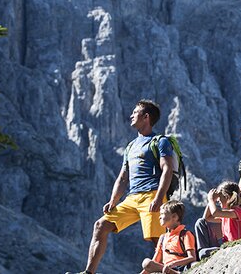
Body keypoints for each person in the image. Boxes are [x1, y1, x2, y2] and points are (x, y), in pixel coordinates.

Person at [69, 100, 176, 274]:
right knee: (100, 226)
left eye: (135, 113)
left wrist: (159, 197)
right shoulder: (131, 146)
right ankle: (88, 273)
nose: (131, 116)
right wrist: (113, 201)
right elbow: (122, 177)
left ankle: (172, 271)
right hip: (132, 198)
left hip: (152, 194)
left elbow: (167, 169)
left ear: (146, 117)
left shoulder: (160, 141)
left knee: (158, 240)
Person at [193, 181, 241, 259]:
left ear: (227, 197)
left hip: (234, 247)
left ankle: (204, 252)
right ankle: (203, 251)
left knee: (204, 252)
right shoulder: (226, 214)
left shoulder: (238, 212)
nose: (218, 201)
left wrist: (211, 200)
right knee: (200, 222)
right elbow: (206, 218)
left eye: (220, 198)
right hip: (224, 246)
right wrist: (212, 201)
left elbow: (215, 213)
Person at [140, 200, 196, 273]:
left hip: (181, 268)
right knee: (147, 263)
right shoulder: (163, 238)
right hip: (166, 269)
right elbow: (155, 261)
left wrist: (173, 264)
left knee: (146, 262)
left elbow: (192, 258)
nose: (159, 217)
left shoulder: (185, 234)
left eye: (162, 214)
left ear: (174, 217)